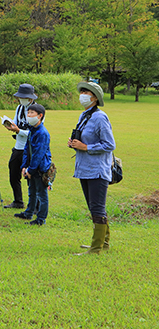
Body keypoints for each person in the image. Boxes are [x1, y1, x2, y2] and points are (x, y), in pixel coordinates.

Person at [68, 82, 116, 255]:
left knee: (97, 208)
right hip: (84, 168)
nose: (82, 94)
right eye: (81, 91)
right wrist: (75, 143)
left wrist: (86, 147)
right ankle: (103, 243)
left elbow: (110, 144)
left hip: (97, 170)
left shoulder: (100, 117)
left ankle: (96, 248)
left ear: (95, 97)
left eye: (86, 92)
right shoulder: (84, 115)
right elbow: (85, 139)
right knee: (94, 207)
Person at [14, 103, 51, 226]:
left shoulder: (42, 133)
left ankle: (41, 219)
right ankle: (28, 213)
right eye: (28, 113)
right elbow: (26, 149)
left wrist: (31, 169)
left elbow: (38, 154)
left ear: (40, 116)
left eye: (32, 113)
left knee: (41, 194)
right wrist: (24, 166)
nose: (29, 115)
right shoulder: (32, 130)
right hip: (31, 167)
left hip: (40, 169)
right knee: (32, 191)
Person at [2, 84, 37, 209]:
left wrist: (18, 131)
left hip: (31, 147)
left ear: (30, 98)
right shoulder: (19, 108)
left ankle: (35, 206)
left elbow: (35, 133)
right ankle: (18, 201)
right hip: (18, 146)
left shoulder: (37, 110)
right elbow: (16, 123)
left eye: (24, 97)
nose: (21, 99)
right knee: (13, 173)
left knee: (30, 176)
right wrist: (11, 126)